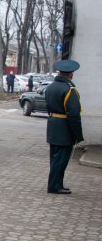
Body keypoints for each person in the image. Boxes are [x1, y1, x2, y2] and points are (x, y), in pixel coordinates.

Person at [45, 59, 83, 194]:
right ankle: (54, 186)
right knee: (61, 160)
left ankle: (57, 184)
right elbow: (73, 115)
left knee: (55, 159)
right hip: (64, 129)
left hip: (53, 125)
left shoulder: (50, 87)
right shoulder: (69, 90)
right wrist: (78, 134)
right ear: (71, 75)